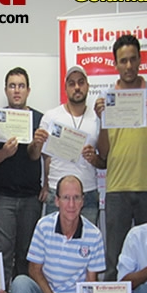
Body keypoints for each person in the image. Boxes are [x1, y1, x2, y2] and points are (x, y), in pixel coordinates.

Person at [95, 35, 147, 281]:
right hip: (117, 188)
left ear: (140, 60)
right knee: (114, 257)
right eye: (123, 61)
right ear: (115, 64)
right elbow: (103, 152)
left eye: (132, 59)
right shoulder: (109, 97)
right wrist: (103, 120)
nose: (128, 66)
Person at [0, 67, 45, 293]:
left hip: (31, 197)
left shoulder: (39, 119)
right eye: (12, 85)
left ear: (28, 90)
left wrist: (47, 184)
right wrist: (4, 155)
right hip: (3, 198)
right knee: (3, 255)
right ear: (6, 90)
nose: (16, 90)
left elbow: (39, 156)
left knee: (27, 254)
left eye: (21, 85)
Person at [40, 65, 105, 224]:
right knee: (54, 244)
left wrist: (94, 158)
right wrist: (46, 185)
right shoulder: (51, 116)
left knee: (86, 244)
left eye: (81, 82)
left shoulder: (98, 118)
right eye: (72, 83)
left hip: (87, 193)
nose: (77, 87)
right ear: (65, 88)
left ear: (88, 86)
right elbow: (45, 157)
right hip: (57, 192)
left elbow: (104, 161)